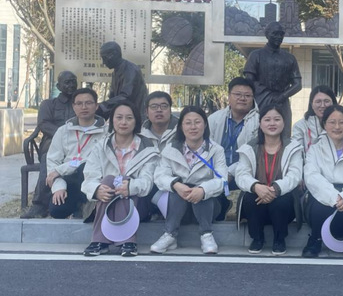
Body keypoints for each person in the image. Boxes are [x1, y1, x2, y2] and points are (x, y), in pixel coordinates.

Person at [81, 101, 159, 257]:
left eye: (129, 118)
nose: (124, 122)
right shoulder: (100, 146)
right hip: (104, 202)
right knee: (108, 180)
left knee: (125, 181)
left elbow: (147, 181)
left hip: (138, 204)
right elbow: (89, 177)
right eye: (119, 117)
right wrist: (97, 190)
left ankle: (124, 239)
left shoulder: (148, 148)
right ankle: (103, 240)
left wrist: (130, 187)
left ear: (136, 121)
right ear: (112, 121)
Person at [151, 106, 228, 255]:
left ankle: (206, 234)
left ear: (205, 125)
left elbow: (223, 179)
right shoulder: (170, 150)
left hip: (208, 208)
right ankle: (170, 235)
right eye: (188, 123)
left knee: (201, 189)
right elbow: (160, 176)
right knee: (179, 188)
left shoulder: (216, 150)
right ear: (181, 126)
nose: (193, 127)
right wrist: (176, 185)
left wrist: (203, 190)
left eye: (197, 122)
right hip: (177, 208)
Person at [235, 105, 303, 255]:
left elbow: (295, 174)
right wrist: (256, 186)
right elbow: (241, 174)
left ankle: (279, 239)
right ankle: (257, 238)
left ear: (284, 123)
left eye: (277, 119)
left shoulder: (293, 147)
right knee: (249, 197)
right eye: (267, 120)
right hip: (257, 201)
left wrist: (275, 189)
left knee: (282, 200)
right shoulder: (249, 147)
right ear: (260, 124)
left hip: (282, 204)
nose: (272, 123)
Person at [302, 105, 343, 258]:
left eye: (342, 122)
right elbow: (312, 176)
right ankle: (316, 239)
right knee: (319, 205)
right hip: (323, 193)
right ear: (324, 124)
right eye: (332, 122)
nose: (337, 127)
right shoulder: (315, 149)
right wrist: (334, 197)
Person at [21, 71, 77, 218]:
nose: (71, 85)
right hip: (52, 144)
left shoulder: (80, 104)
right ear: (58, 86)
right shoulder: (48, 104)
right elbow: (44, 124)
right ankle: (39, 205)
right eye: (67, 82)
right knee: (48, 159)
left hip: (77, 144)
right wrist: (63, 136)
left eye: (73, 81)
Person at [47, 88, 107, 219]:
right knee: (57, 210)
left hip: (94, 180)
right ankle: (79, 206)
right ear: (73, 107)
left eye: (88, 103)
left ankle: (89, 205)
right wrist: (59, 187)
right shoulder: (63, 131)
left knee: (83, 167)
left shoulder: (106, 132)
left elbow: (89, 160)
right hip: (69, 181)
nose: (84, 107)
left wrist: (60, 170)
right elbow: (52, 163)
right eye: (79, 103)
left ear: (96, 106)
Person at [207, 77, 260, 220]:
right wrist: (220, 171)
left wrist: (229, 172)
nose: (242, 98)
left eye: (247, 95)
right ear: (229, 96)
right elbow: (207, 148)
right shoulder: (214, 119)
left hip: (246, 171)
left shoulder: (259, 122)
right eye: (238, 94)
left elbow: (253, 154)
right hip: (216, 170)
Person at [243, 21, 302, 137]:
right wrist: (266, 94)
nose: (279, 37)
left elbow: (298, 84)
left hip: (282, 103)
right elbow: (249, 81)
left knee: (284, 136)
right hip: (261, 100)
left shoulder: (290, 58)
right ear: (267, 34)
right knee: (256, 134)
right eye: (275, 33)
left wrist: (282, 96)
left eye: (281, 34)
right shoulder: (256, 55)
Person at [97, 41, 148, 120]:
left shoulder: (130, 70)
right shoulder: (116, 72)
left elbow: (126, 96)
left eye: (105, 58)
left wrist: (103, 106)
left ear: (114, 55)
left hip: (136, 118)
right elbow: (113, 97)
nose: (103, 62)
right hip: (125, 116)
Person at [291, 85, 337, 154]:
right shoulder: (300, 126)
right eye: (318, 102)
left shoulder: (340, 124)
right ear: (312, 104)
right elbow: (297, 154)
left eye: (326, 101)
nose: (322, 105)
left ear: (333, 103)